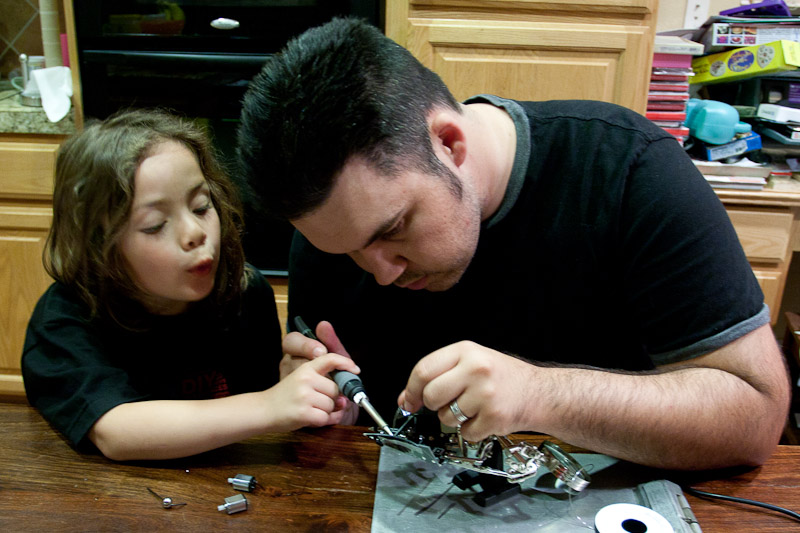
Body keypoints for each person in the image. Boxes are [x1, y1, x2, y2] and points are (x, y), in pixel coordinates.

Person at [237, 18, 790, 470]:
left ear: (449, 144)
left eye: (393, 230)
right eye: (347, 251)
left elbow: (755, 417)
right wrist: (323, 407)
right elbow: (338, 422)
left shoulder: (629, 172)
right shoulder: (331, 235)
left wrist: (540, 395)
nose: (380, 273)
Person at [22, 109, 359, 461]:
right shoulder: (64, 321)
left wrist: (307, 400)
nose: (196, 233)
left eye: (200, 207)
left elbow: (258, 418)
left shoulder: (244, 292)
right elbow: (116, 431)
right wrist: (271, 403)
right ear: (98, 244)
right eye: (155, 225)